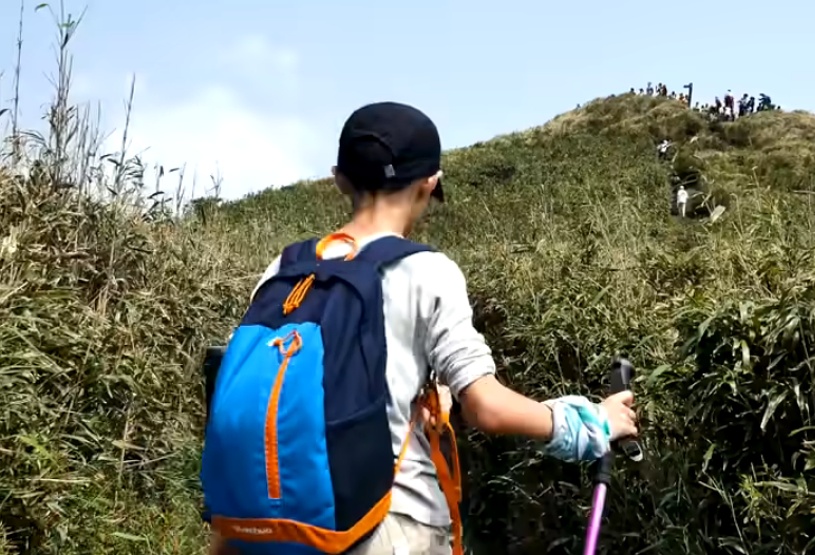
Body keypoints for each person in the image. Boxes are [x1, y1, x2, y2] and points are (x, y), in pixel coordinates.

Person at [202, 101, 639, 555]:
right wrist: (590, 423)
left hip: (269, 527)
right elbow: (486, 406)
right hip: (387, 524)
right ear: (429, 184)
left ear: (339, 179)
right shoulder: (427, 270)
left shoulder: (284, 268)